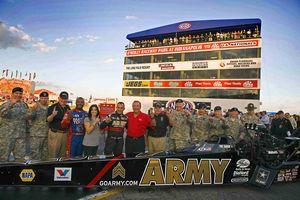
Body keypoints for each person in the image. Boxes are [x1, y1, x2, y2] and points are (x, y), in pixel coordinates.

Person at [0, 87, 29, 162]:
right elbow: (2, 114)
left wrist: (27, 132)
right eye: (16, 93)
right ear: (12, 94)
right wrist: (12, 104)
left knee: (20, 159)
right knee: (3, 158)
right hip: (7, 136)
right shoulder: (6, 104)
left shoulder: (24, 105)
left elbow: (27, 119)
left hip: (20, 136)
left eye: (20, 93)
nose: (18, 95)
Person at [47, 91, 71, 159]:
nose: (63, 100)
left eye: (65, 98)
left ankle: (60, 169)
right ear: (58, 98)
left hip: (65, 134)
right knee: (53, 155)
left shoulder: (68, 108)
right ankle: (51, 168)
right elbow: (48, 120)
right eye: (62, 98)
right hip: (55, 133)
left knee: (63, 156)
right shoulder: (53, 107)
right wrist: (53, 115)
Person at [28, 91, 49, 160]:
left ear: (48, 99)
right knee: (35, 153)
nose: (44, 99)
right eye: (42, 98)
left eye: (45, 98)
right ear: (40, 98)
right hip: (36, 135)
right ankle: (34, 168)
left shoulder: (49, 108)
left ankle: (43, 169)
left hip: (46, 134)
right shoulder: (35, 106)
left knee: (45, 153)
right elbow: (29, 118)